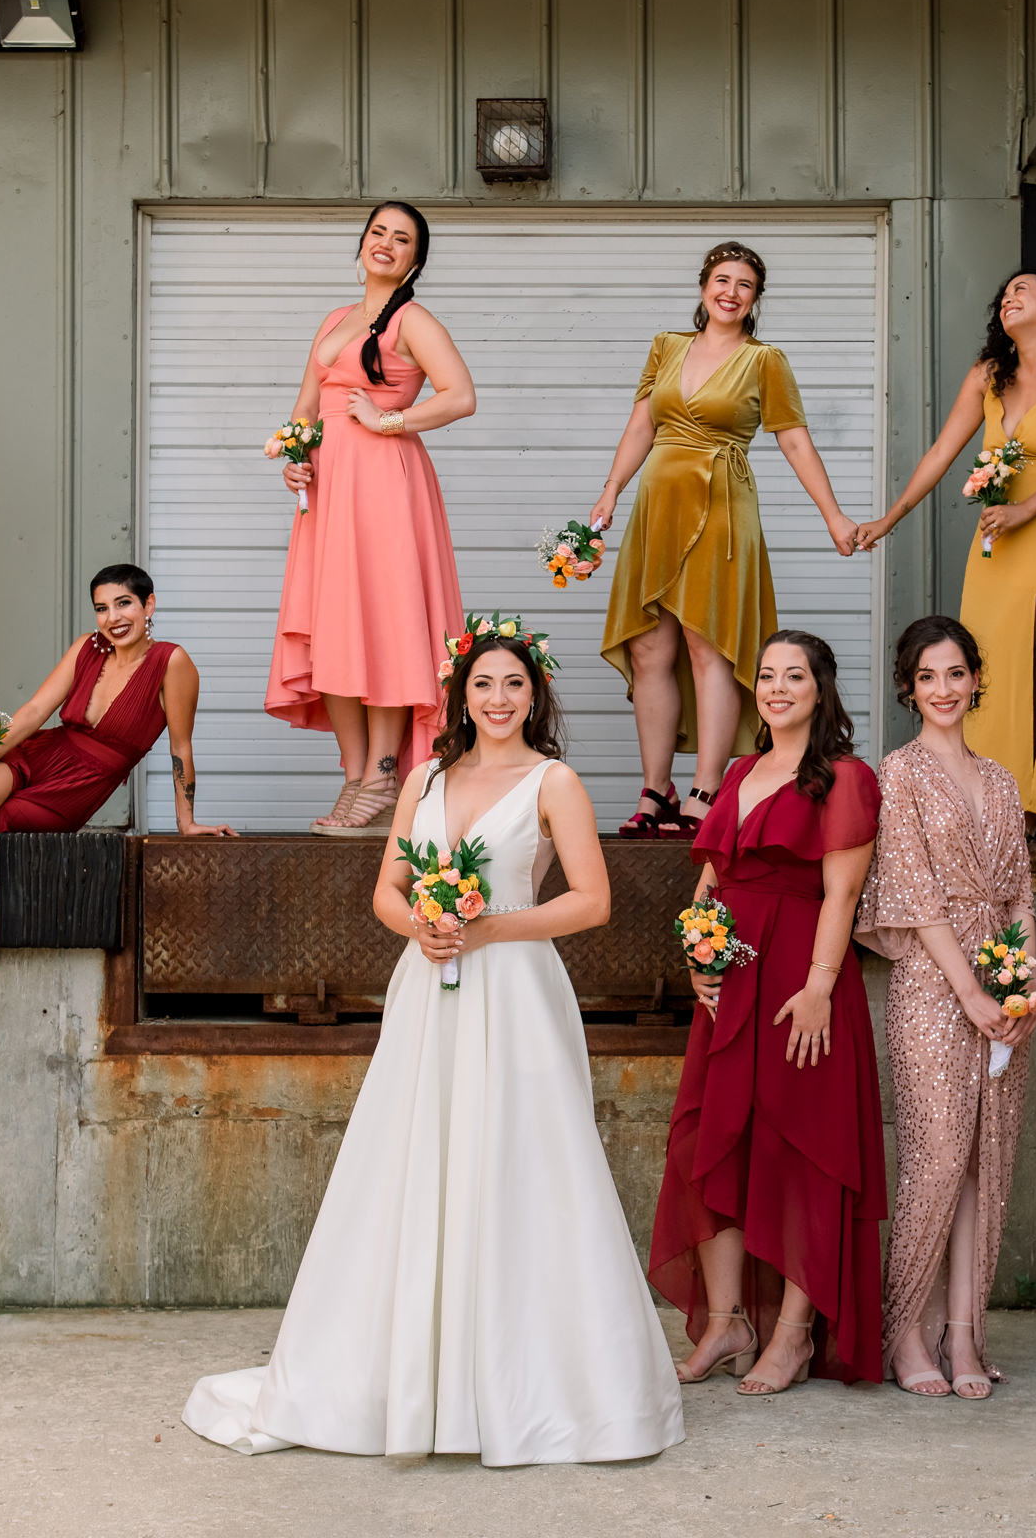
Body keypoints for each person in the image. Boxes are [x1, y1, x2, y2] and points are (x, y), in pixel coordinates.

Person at [186, 625, 684, 1464]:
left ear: (535, 696)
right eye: (484, 685)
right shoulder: (424, 777)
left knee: (528, 1162)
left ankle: (534, 1385)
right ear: (463, 696)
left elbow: (592, 901)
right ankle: (414, 1377)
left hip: (518, 991)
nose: (498, 700)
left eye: (513, 686)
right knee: (416, 1155)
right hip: (430, 986)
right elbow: (387, 888)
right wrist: (423, 925)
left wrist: (492, 928)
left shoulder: (554, 783)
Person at [0, 564, 235, 1033]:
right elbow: (31, 714)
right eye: (102, 608)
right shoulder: (88, 649)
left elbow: (181, 747)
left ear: (149, 605)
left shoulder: (172, 663)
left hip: (76, 788)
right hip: (43, 753)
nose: (113, 618)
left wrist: (186, 823)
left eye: (124, 604)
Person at [650, 630, 884, 1394]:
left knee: (801, 1151)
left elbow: (841, 893)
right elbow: (709, 882)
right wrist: (696, 957)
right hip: (730, 983)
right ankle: (727, 1323)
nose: (777, 687)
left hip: (799, 983)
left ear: (821, 687)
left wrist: (819, 986)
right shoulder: (742, 771)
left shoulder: (845, 777)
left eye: (794, 675)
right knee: (710, 1143)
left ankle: (794, 1333)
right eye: (766, 676)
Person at [588, 243, 864, 838]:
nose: (730, 291)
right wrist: (610, 492)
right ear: (703, 287)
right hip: (656, 508)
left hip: (720, 507)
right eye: (721, 279)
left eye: (744, 284)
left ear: (755, 298)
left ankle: (704, 790)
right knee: (648, 648)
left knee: (706, 642)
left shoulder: (765, 360)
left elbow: (794, 440)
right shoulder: (666, 347)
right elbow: (642, 424)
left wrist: (834, 517)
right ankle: (654, 789)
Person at [854, 617, 1036, 1398]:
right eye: (927, 677)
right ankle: (903, 1332)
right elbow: (915, 895)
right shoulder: (896, 774)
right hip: (935, 987)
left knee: (982, 1167)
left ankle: (964, 1336)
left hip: (1001, 989)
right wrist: (969, 992)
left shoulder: (1001, 779)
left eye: (956, 674)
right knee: (935, 1161)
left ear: (974, 679)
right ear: (908, 688)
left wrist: (1024, 984)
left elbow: (1021, 893)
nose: (943, 690)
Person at [857, 271, 1036, 836]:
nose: (1009, 298)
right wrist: (889, 519)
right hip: (997, 536)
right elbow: (943, 450)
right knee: (996, 659)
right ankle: (998, 800)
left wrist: (1027, 509)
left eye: (1023, 289)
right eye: (1004, 294)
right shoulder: (990, 376)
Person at [267, 201, 475, 838]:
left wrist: (385, 419)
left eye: (402, 238)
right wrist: (295, 460)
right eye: (378, 233)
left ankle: (385, 774)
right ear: (361, 246)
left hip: (385, 484)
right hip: (329, 493)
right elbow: (305, 406)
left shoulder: (414, 320)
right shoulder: (335, 319)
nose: (386, 243)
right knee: (331, 624)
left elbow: (460, 395)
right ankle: (356, 774)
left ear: (415, 259)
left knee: (385, 622)